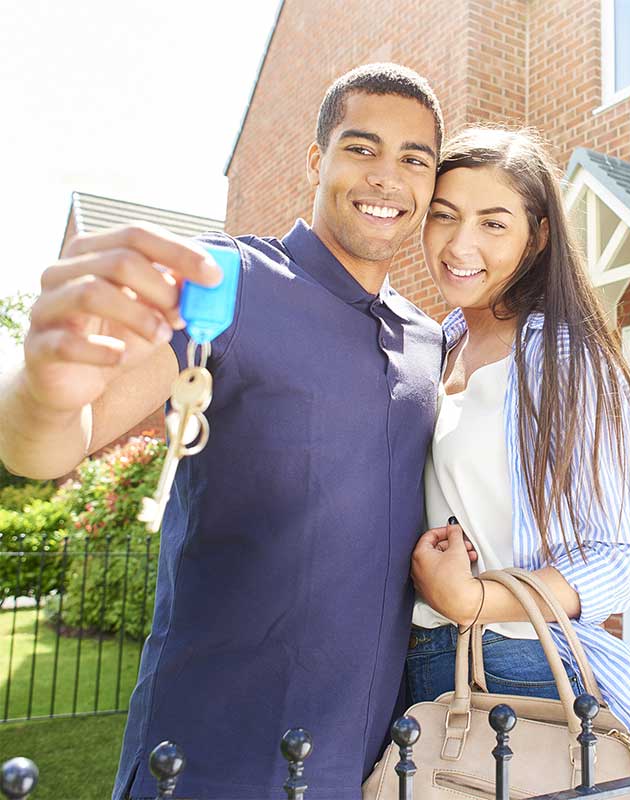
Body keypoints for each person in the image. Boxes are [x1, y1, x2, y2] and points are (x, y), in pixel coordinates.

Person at [0, 64, 446, 799]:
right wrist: (44, 393)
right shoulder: (225, 281)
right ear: (317, 159)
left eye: (414, 160)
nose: (387, 179)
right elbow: (51, 441)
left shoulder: (429, 341)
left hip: (369, 764)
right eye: (362, 149)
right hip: (210, 756)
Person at [406, 126, 630, 734]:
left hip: (523, 665)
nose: (460, 243)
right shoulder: (433, 347)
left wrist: (474, 600)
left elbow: (624, 559)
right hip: (424, 662)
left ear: (538, 235)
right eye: (445, 215)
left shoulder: (570, 365)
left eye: (494, 223)